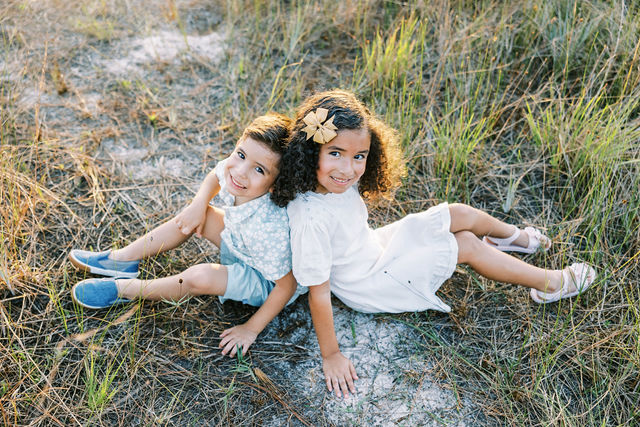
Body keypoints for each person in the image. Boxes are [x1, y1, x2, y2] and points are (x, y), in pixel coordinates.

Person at [271, 90, 596, 398]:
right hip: (368, 282)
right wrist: (331, 355)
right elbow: (319, 290)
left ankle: (516, 239)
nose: (348, 169)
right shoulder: (310, 218)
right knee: (465, 244)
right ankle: (550, 283)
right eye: (336, 154)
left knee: (457, 213)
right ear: (311, 150)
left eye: (359, 156)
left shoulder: (334, 183)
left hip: (376, 248)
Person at [69, 113, 305, 357]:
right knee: (195, 216)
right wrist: (199, 203)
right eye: (241, 155)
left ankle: (126, 289)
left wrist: (251, 329)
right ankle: (122, 260)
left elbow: (287, 285)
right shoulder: (237, 167)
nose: (241, 171)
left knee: (200, 276)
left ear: (275, 183)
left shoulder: (269, 228)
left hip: (265, 280)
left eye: (259, 169)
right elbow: (216, 175)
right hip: (244, 244)